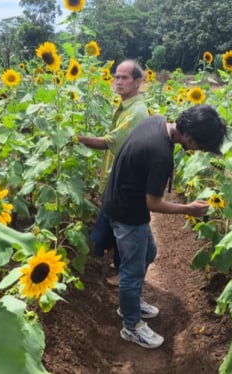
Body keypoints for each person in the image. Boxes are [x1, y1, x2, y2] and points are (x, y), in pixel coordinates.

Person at [101, 104, 228, 349]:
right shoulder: (160, 154)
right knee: (131, 270)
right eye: (199, 145)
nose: (198, 150)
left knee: (149, 253)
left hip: (123, 199)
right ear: (189, 136)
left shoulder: (157, 122)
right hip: (127, 212)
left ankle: (132, 302)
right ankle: (131, 326)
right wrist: (188, 209)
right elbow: (154, 203)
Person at [77, 60, 148, 287]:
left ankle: (123, 273)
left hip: (123, 182)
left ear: (138, 81)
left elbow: (110, 142)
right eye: (116, 77)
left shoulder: (136, 112)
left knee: (121, 229)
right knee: (114, 226)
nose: (118, 81)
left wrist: (74, 138)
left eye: (125, 77)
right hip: (117, 177)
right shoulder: (126, 105)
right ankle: (117, 265)